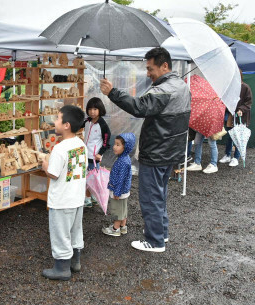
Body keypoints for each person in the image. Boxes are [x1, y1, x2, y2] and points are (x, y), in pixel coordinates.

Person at [100, 47, 191, 252]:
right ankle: (161, 233)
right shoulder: (182, 86)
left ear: (165, 65)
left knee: (150, 196)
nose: (148, 73)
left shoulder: (163, 90)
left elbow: (140, 107)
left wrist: (112, 92)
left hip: (157, 152)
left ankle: (155, 240)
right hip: (172, 151)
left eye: (150, 69)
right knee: (159, 194)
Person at [41, 105, 87, 281]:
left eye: (58, 118)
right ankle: (75, 262)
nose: (54, 121)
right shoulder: (80, 144)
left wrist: (45, 164)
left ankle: (61, 268)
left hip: (61, 200)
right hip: (76, 198)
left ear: (66, 125)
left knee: (60, 233)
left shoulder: (60, 148)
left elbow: (53, 173)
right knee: (75, 231)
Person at [102, 133, 136, 237]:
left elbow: (121, 179)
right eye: (115, 144)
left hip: (119, 191)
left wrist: (116, 192)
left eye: (118, 145)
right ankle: (123, 227)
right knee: (123, 209)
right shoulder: (124, 158)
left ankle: (115, 229)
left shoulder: (122, 161)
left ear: (126, 147)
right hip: (123, 190)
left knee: (118, 211)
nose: (114, 147)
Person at [82, 97, 111, 207]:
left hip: (94, 157)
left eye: (95, 109)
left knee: (91, 178)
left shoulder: (102, 125)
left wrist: (100, 153)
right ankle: (93, 197)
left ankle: (88, 199)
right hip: (85, 154)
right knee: (91, 177)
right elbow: (78, 126)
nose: (92, 112)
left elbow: (106, 141)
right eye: (90, 109)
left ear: (100, 110)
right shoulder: (87, 121)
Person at [219, 71, 252, 167]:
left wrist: (241, 109)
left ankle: (236, 158)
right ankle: (227, 155)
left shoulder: (245, 87)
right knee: (230, 136)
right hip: (230, 115)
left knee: (238, 137)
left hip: (241, 117)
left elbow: (248, 102)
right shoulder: (230, 87)